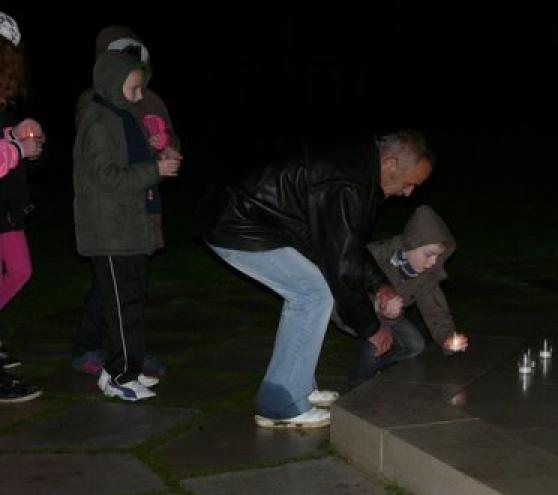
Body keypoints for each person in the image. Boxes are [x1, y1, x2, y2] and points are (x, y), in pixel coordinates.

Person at [204, 131, 433, 428]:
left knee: (312, 290)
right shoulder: (350, 182)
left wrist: (380, 285)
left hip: (251, 219)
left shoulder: (356, 165)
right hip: (239, 223)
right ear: (389, 164)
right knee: (313, 294)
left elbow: (345, 244)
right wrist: (371, 328)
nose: (408, 193)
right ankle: (280, 403)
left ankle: (298, 387)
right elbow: (342, 268)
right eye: (410, 182)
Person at [71, 26, 181, 378]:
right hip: (112, 221)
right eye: (132, 87)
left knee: (131, 295)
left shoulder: (142, 101)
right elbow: (106, 171)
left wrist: (166, 151)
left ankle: (131, 360)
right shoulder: (98, 113)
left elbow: (160, 138)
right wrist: (153, 166)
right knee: (115, 295)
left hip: (139, 211)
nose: (138, 96)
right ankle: (116, 368)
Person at [339, 205, 468, 388]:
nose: (433, 262)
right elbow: (345, 291)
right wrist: (377, 306)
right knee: (376, 343)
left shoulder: (426, 275)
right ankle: (356, 388)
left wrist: (447, 338)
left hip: (391, 318)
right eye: (429, 255)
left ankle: (376, 369)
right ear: (411, 244)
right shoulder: (376, 256)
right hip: (357, 312)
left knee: (415, 345)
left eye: (437, 257)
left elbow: (435, 311)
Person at [0, 11, 45, 403]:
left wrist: (19, 136)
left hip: (7, 208)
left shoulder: (3, 100)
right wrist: (16, 147)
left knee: (20, 270)